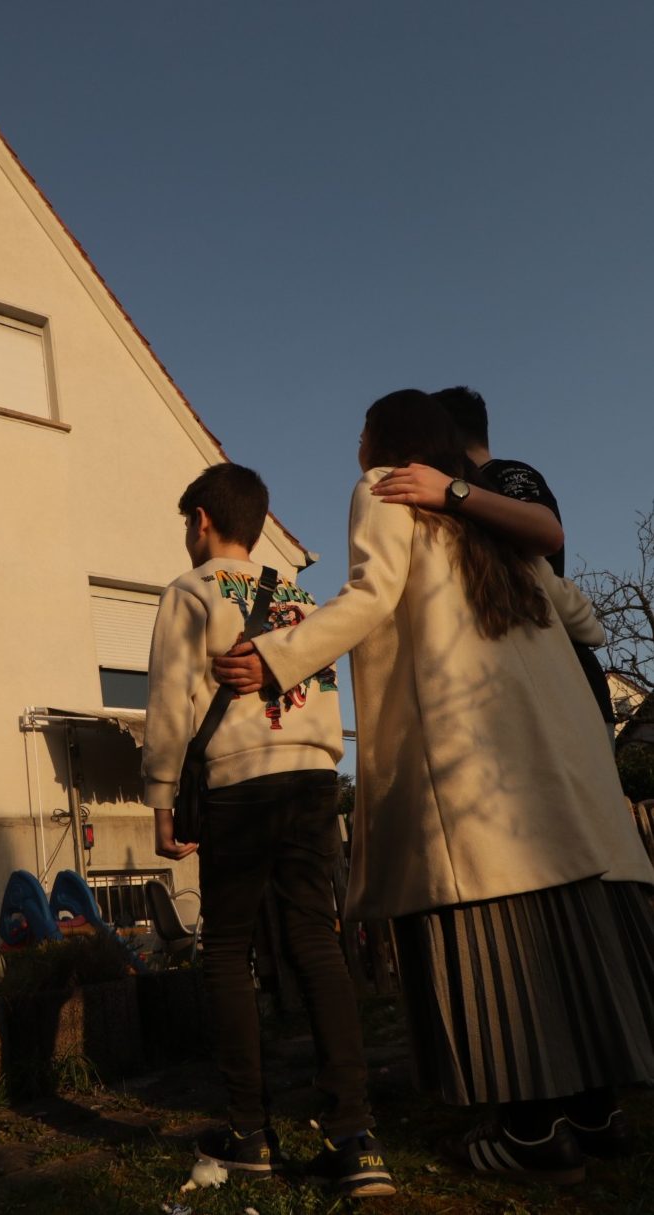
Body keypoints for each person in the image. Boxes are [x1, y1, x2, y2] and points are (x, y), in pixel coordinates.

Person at [213, 392, 654, 1186]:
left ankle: (529, 1132)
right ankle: (595, 1114)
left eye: (360, 430)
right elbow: (583, 619)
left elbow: (372, 597)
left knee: (494, 945)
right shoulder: (487, 518)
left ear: (385, 440)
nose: (355, 444)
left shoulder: (383, 487)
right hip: (552, 777)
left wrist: (279, 654)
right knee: (566, 943)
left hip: (465, 764)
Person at [142, 463, 394, 1197]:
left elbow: (167, 700)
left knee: (226, 947)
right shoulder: (298, 598)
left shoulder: (189, 591)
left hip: (239, 781)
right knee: (318, 940)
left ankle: (249, 1133)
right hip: (314, 779)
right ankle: (356, 1137)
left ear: (200, 522)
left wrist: (162, 798)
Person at [372, 385, 616, 742]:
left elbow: (547, 532)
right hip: (505, 677)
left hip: (562, 678)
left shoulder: (505, 474)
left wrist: (454, 492)